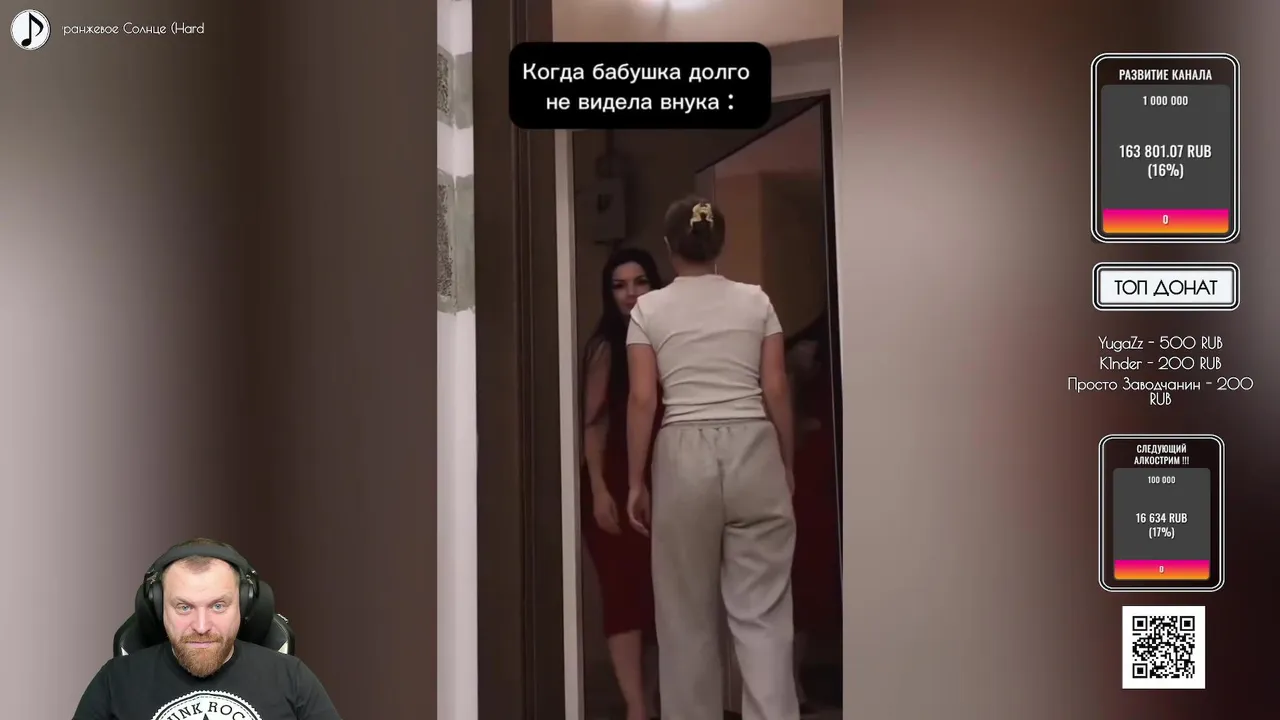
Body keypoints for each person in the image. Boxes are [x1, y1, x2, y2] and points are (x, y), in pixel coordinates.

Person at [625, 196, 799, 720]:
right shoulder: (756, 301)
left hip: (683, 452)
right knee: (763, 616)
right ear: (719, 244)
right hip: (754, 445)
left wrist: (635, 481)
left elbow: (643, 399)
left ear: (668, 247)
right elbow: (775, 387)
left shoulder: (648, 310)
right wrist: (785, 460)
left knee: (685, 619)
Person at [73, 538, 342, 720]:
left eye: (218, 606)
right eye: (184, 607)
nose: (201, 626)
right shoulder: (114, 681)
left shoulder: (292, 678)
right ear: (158, 608)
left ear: (244, 605)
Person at [581, 247, 665, 720]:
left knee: (657, 598)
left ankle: (649, 703)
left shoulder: (668, 338)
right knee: (623, 595)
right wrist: (598, 489)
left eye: (640, 282)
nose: (630, 293)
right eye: (619, 285)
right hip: (613, 480)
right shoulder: (606, 346)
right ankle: (636, 708)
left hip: (661, 477)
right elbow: (593, 424)